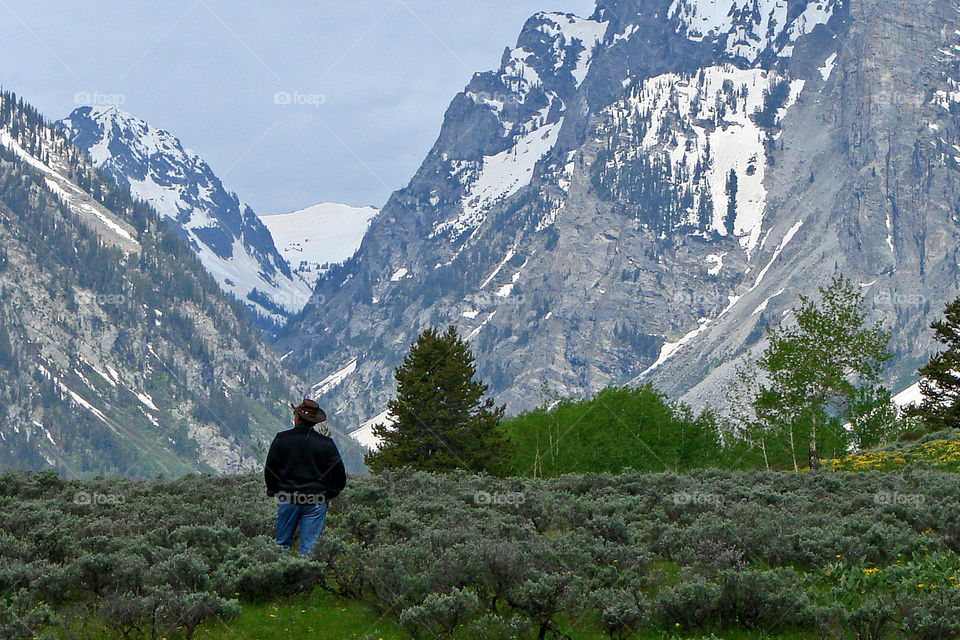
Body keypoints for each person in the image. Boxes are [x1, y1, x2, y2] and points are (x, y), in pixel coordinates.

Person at [264, 398, 346, 555]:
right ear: (314, 422)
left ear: (297, 418)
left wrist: (274, 491)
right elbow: (339, 475)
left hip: (288, 498)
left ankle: (280, 577)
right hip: (316, 500)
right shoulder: (326, 443)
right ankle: (307, 578)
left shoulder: (282, 439)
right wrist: (329, 494)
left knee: (281, 544)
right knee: (310, 548)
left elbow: (270, 469)